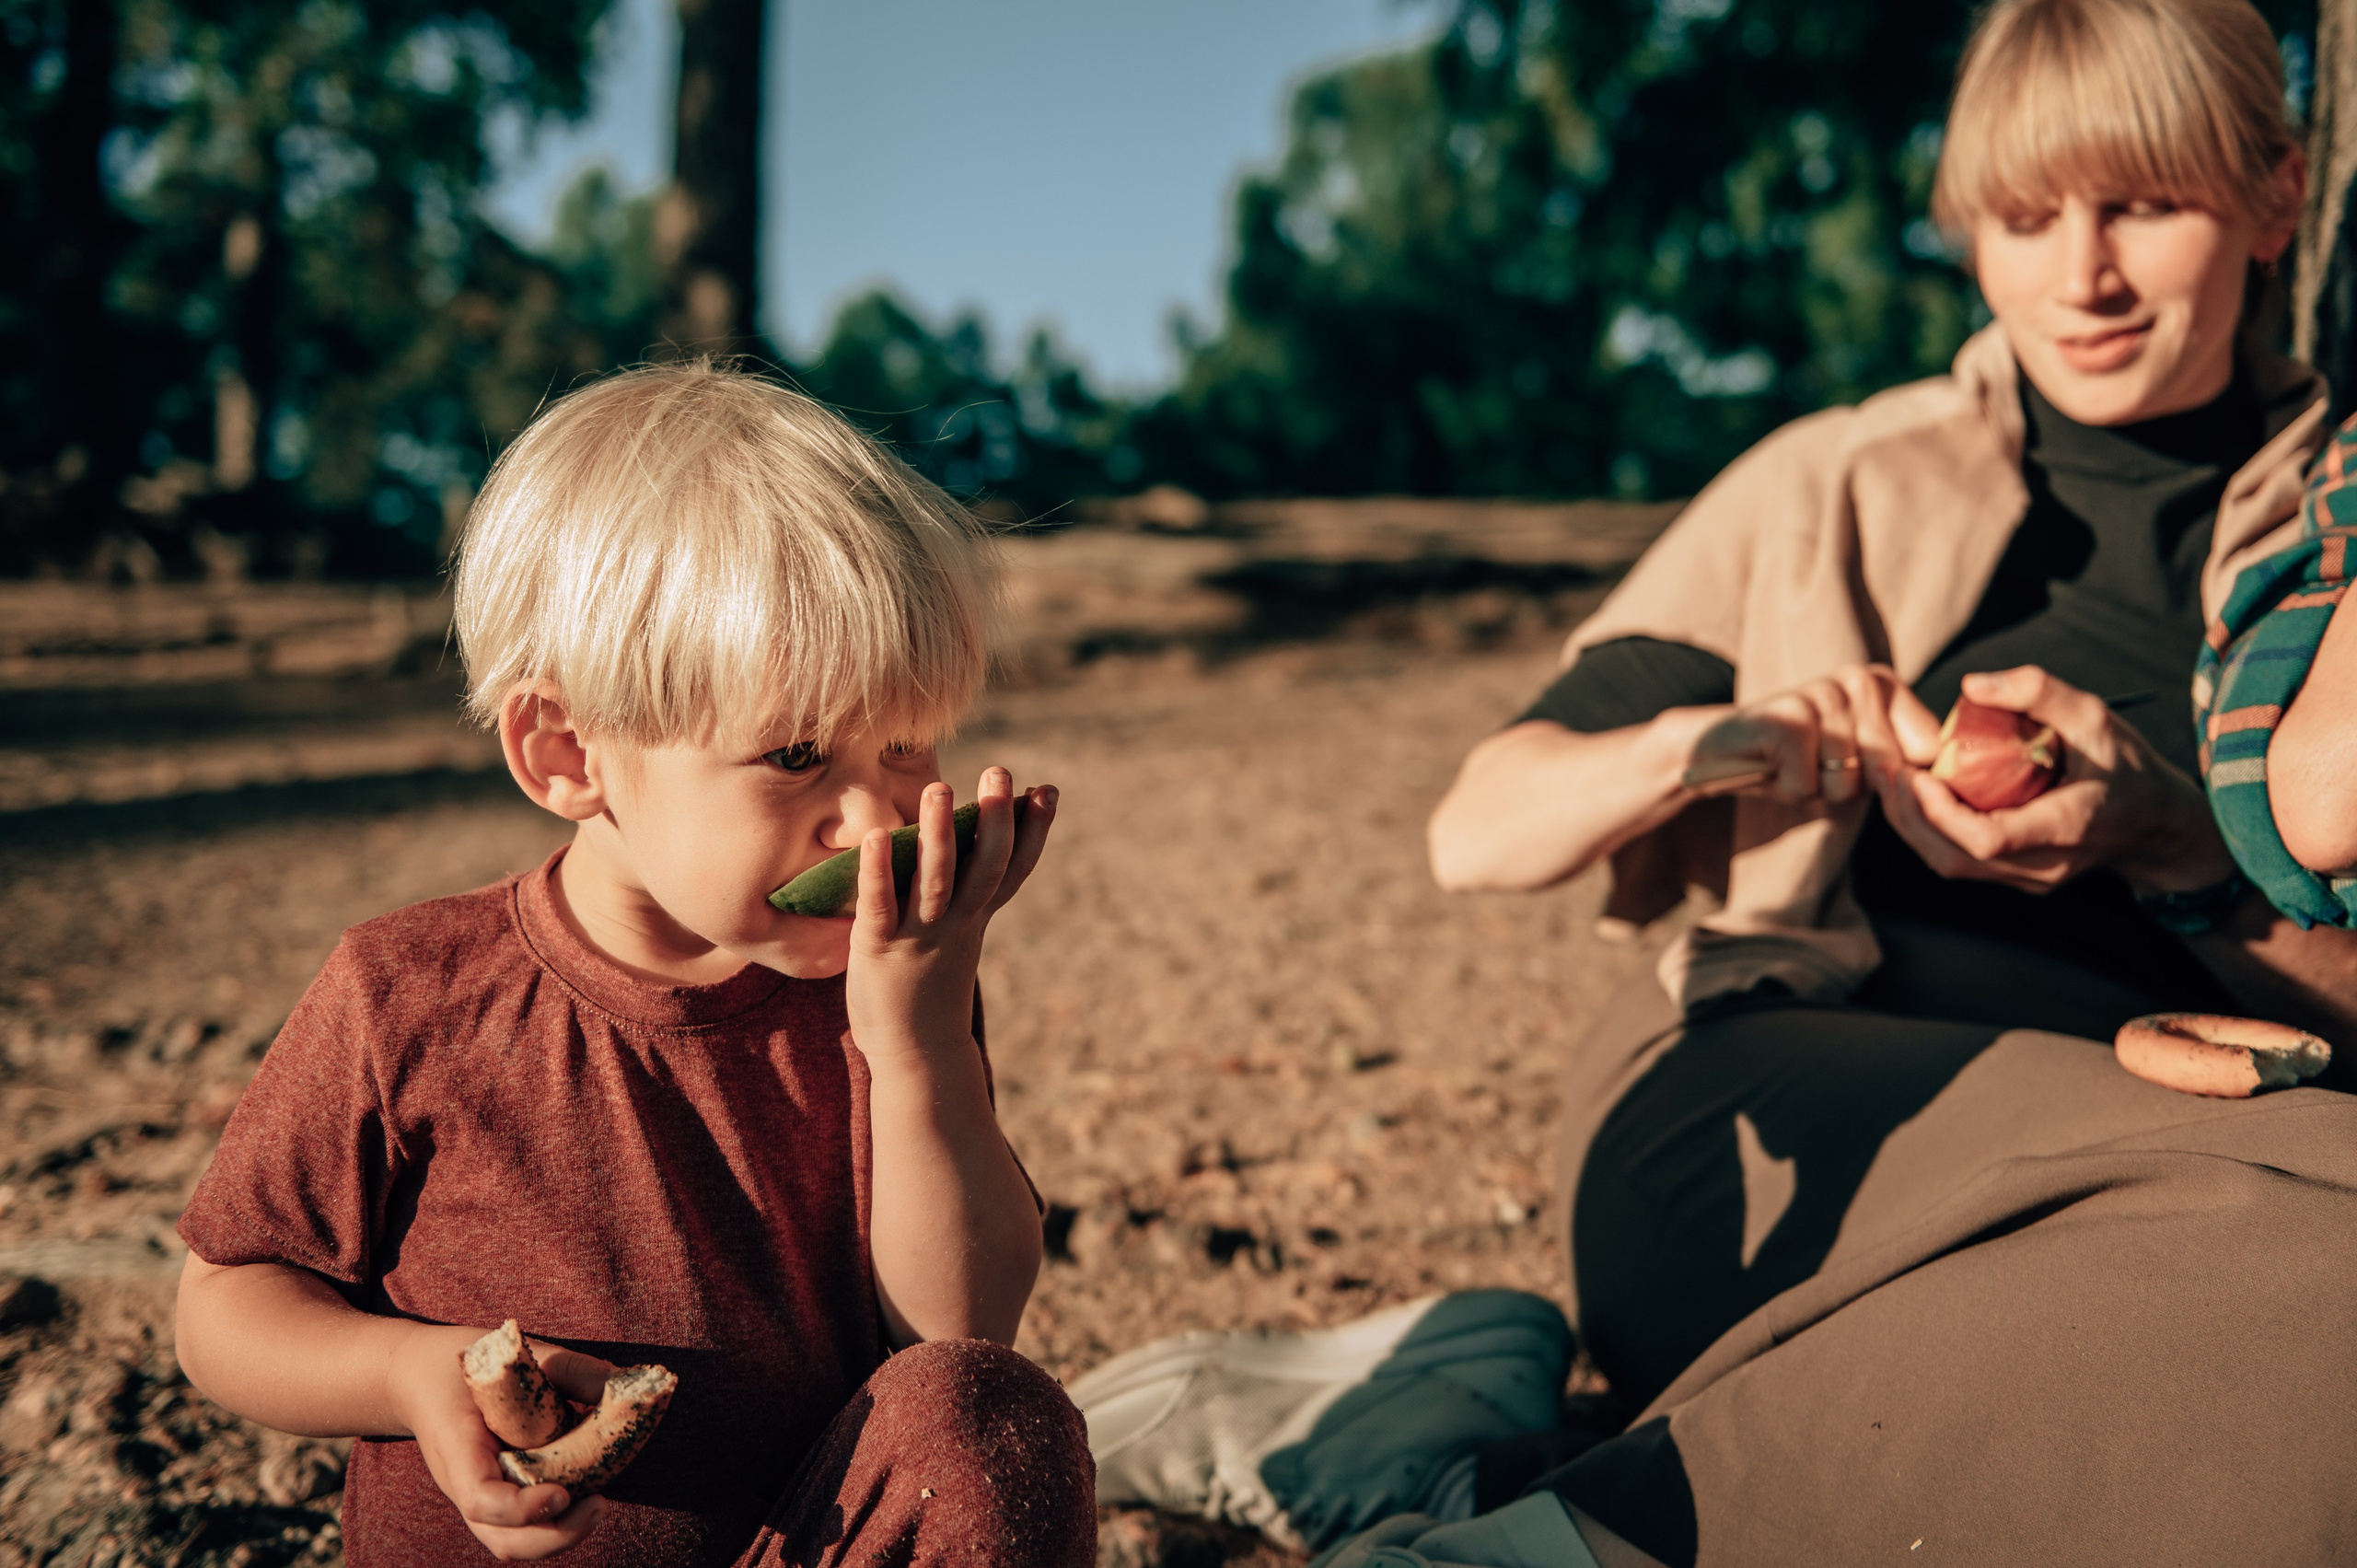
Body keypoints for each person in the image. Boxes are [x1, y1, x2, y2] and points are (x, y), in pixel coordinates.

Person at [1071, 3, 2357, 1564]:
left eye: (2143, 205)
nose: (2079, 276)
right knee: (2298, 1240)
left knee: (2279, 1277)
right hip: (1755, 1130)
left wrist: (2177, 847)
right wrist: (1708, 746)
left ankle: (1481, 1475)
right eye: (2024, 220)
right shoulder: (1841, 484)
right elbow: (1481, 824)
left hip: (2200, 1162)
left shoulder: (2338, 544)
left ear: (2278, 198)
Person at [169, 363, 1096, 1567]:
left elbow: (962, 1337)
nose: (878, 822)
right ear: (566, 754)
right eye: (797, 754)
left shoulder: (888, 986)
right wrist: (408, 1373)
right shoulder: (410, 994)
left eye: (908, 744)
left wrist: (915, 1049)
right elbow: (222, 1308)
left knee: (986, 1418)